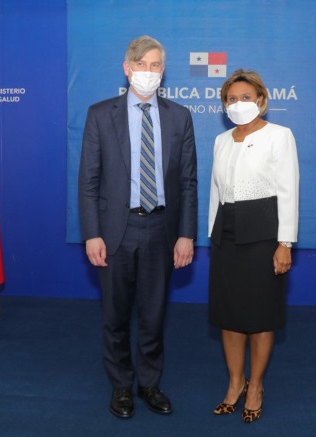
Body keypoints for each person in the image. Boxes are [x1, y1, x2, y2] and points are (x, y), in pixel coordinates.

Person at [78, 35, 198, 419]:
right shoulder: (101, 114)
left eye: (156, 65)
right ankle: (121, 386)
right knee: (115, 317)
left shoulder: (180, 116)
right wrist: (92, 233)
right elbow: (88, 182)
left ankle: (149, 383)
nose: (149, 72)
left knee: (154, 315)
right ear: (127, 68)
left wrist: (186, 234)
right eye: (142, 64)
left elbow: (188, 183)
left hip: (162, 229)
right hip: (116, 229)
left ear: (164, 71)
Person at [208, 69, 299, 423]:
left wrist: (285, 242)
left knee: (261, 316)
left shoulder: (279, 135)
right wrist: (212, 234)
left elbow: (288, 190)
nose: (238, 103)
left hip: (264, 234)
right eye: (231, 99)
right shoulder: (221, 140)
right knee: (229, 316)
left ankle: (256, 386)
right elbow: (216, 191)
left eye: (245, 97)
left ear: (260, 100)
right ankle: (236, 383)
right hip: (226, 235)